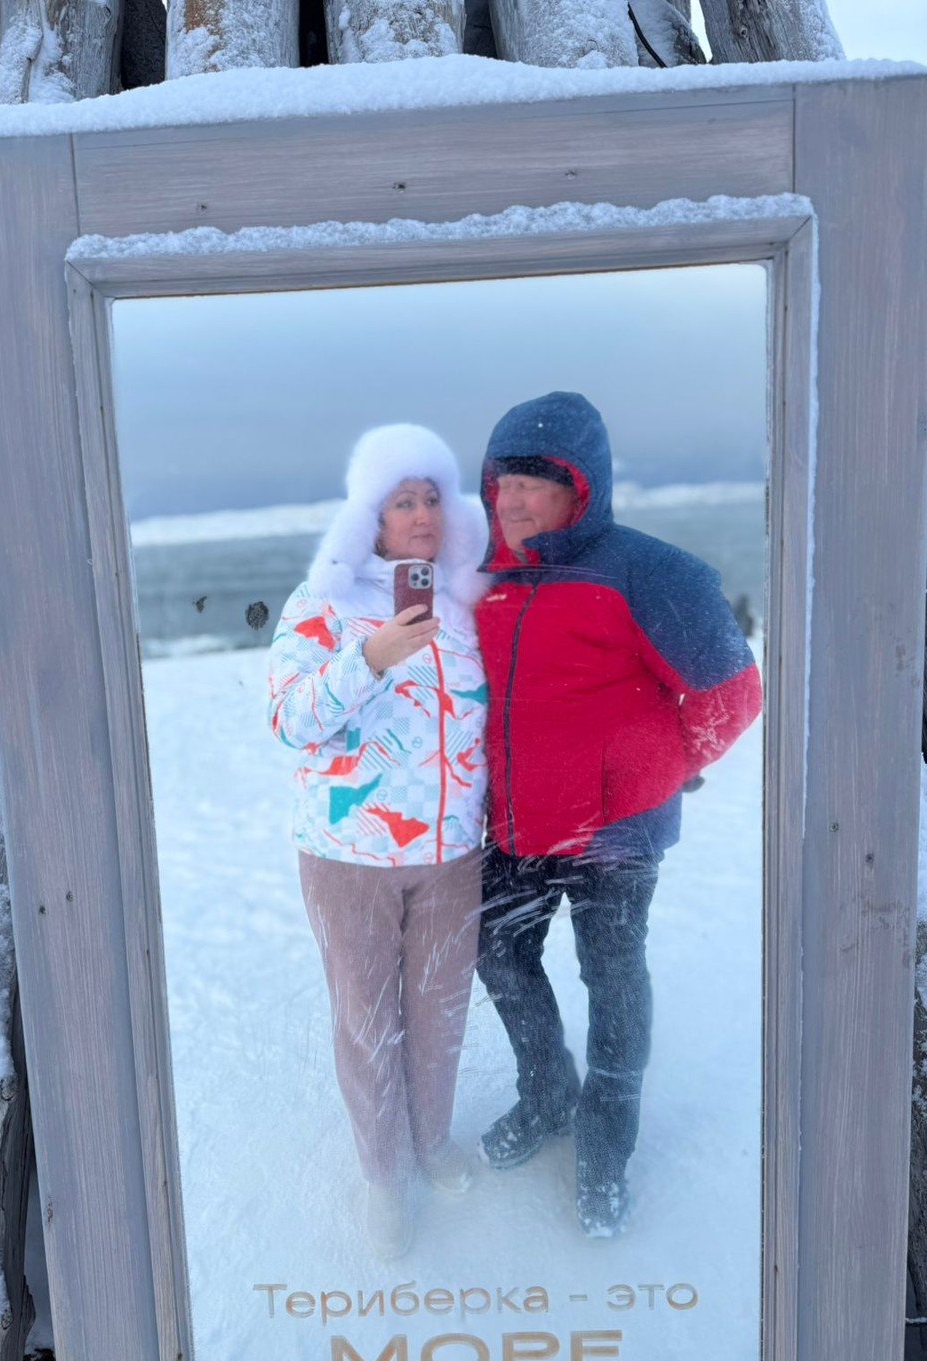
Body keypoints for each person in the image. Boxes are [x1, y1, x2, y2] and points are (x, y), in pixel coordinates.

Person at [473, 391, 762, 1237]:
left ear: (583, 488)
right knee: (497, 953)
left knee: (611, 978)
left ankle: (606, 1144)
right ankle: (548, 1091)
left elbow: (732, 693)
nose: (515, 501)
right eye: (504, 482)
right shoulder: (480, 580)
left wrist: (659, 770)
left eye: (538, 483)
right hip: (514, 823)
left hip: (613, 833)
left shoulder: (647, 569)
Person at [268, 424, 489, 1260]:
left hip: (451, 856)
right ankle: (381, 1176)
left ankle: (430, 1144)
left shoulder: (466, 605)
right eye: (404, 499)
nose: (423, 512)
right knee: (368, 1021)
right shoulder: (321, 604)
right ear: (372, 515)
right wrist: (371, 656)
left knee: (439, 1013)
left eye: (433, 495)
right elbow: (289, 722)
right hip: (348, 855)